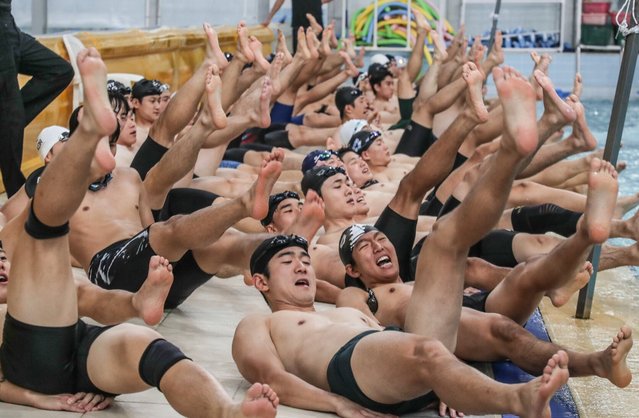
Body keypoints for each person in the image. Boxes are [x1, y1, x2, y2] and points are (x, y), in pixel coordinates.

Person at [233, 66, 574, 417]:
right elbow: (267, 376)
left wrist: (447, 382)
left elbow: (383, 331)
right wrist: (338, 405)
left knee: (447, 239)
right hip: (352, 368)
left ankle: (513, 152)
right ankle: (517, 399)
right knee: (430, 346)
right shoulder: (260, 323)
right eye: (288, 262)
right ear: (261, 281)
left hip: (391, 364)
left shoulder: (343, 308)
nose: (302, 264)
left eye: (301, 260)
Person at [0, 46, 278, 418]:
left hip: (81, 339)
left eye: (2, 259)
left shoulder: (125, 178)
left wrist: (136, 302)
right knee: (44, 231)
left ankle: (226, 411)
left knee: (152, 346)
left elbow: (94, 300)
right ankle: (90, 135)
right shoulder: (43, 197)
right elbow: (17, 217)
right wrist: (34, 399)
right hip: (36, 348)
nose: (2, 265)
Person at [0, 0, 74, 196]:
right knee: (11, 118)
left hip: (8, 25)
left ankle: (7, 123)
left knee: (61, 71)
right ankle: (17, 195)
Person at [261, 0, 333, 50]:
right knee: (316, 55)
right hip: (308, 22)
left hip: (302, 23)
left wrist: (269, 18)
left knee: (302, 57)